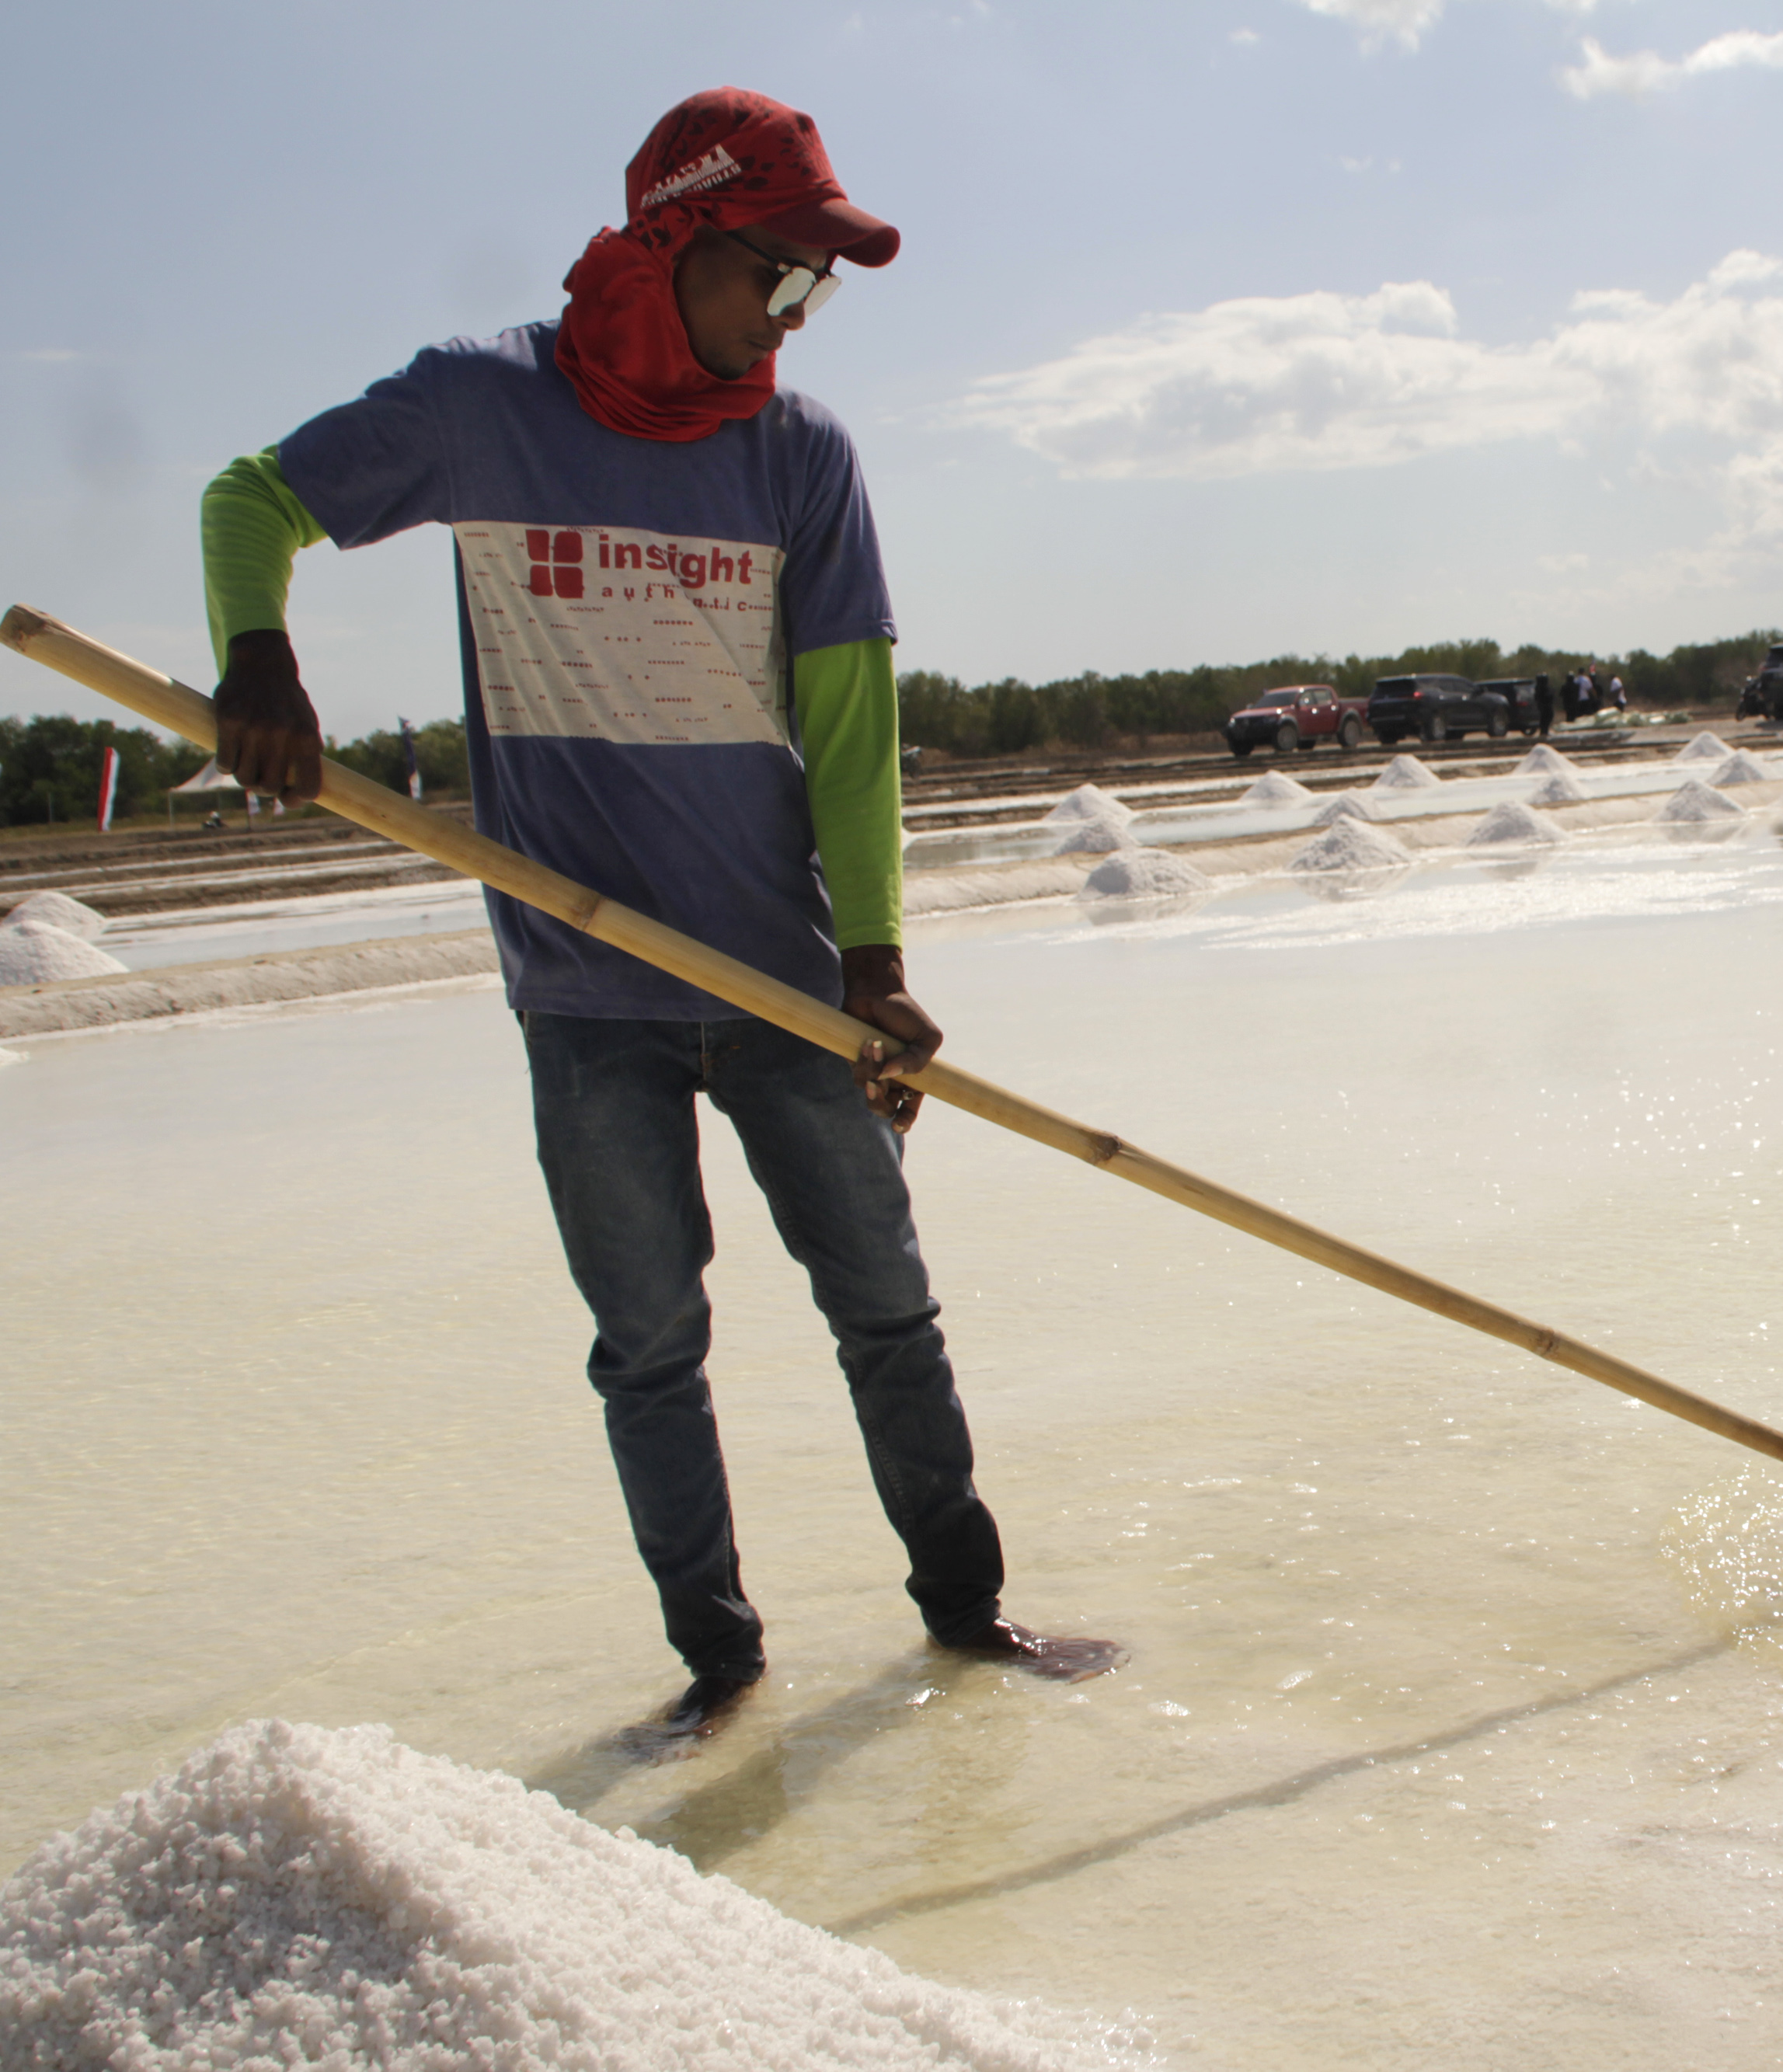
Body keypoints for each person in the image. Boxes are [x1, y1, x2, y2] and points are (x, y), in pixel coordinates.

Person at [201, 88, 1121, 1738]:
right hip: (584, 995)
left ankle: (969, 1611)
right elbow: (248, 499)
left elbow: (849, 729)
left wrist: (876, 967)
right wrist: (260, 655)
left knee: (887, 1310)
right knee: (648, 1345)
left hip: (779, 981)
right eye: (780, 273)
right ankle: (719, 1668)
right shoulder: (481, 408)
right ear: (678, 236)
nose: (796, 317)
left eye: (816, 291)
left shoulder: (799, 454)